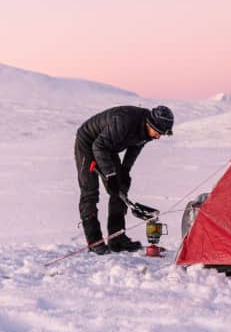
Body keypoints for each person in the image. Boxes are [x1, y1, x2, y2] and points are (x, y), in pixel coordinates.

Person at [74, 105, 174, 254]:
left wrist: (124, 172)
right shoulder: (125, 121)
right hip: (89, 143)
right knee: (90, 191)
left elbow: (133, 150)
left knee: (120, 188)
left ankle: (117, 238)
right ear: (150, 124)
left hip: (107, 147)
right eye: (158, 132)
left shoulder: (148, 132)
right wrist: (110, 175)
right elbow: (98, 146)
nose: (158, 136)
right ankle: (94, 241)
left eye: (162, 134)